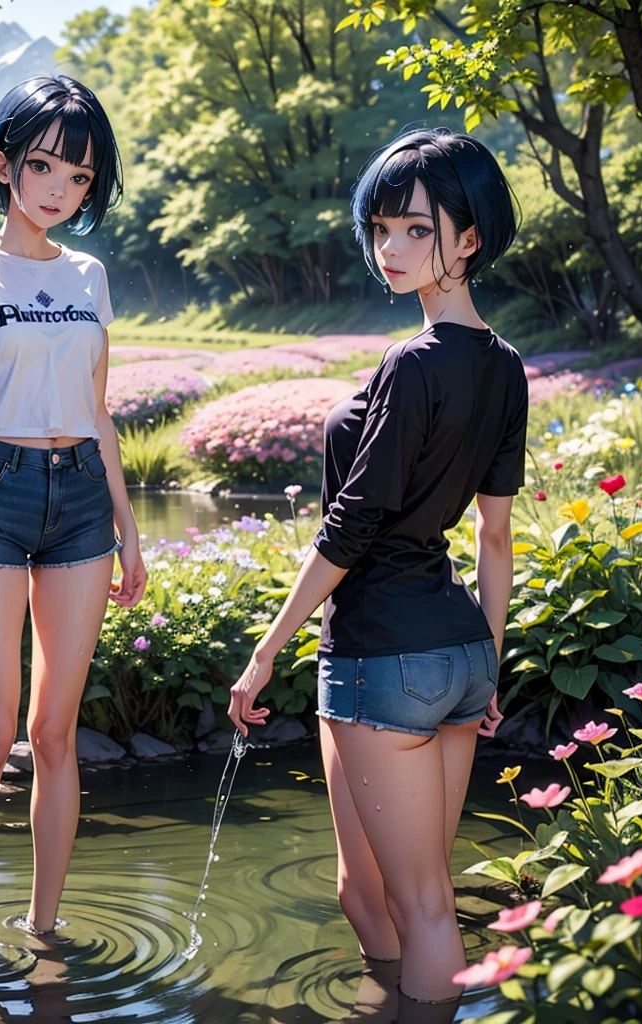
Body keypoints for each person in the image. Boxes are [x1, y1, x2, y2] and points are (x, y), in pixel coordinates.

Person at [228, 127, 526, 1015]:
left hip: (378, 656)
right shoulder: (506, 366)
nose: (390, 249)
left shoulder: (412, 361)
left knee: (420, 904)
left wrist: (266, 650)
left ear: (468, 240)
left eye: (416, 231)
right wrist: (490, 667)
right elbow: (497, 537)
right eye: (382, 229)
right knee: (383, 893)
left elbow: (350, 525)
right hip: (457, 652)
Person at [0, 75, 147, 965]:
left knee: (54, 732)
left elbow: (98, 404)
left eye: (79, 177)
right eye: (42, 165)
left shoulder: (89, 275)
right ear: (4, 163)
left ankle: (43, 933)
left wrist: (128, 525)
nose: (58, 188)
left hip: (82, 497)